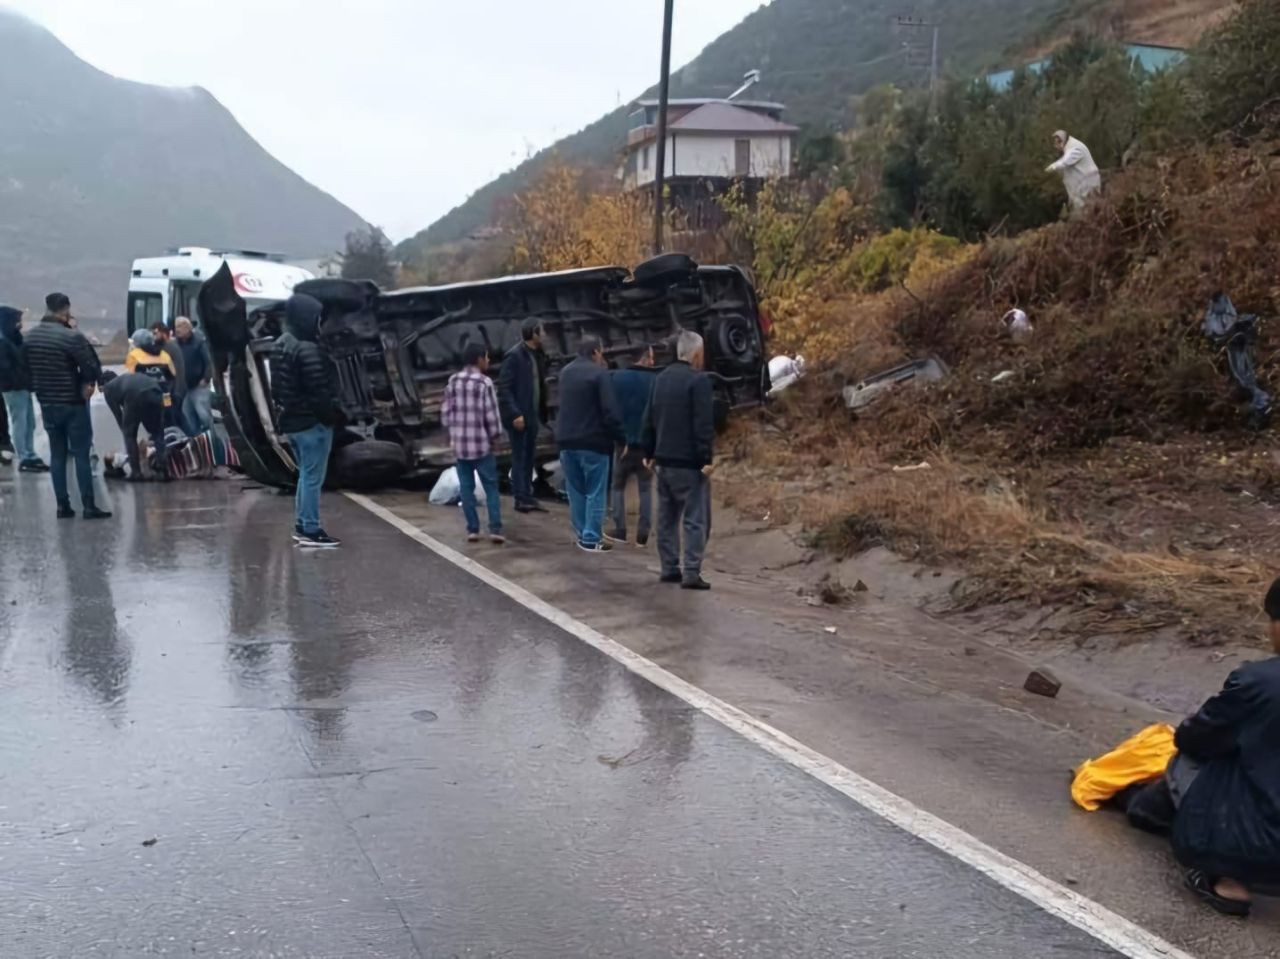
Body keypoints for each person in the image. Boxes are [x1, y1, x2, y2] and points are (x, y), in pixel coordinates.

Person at [1157, 576, 1280, 917]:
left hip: (1261, 848)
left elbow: (1194, 739)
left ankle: (1227, 880)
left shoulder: (1259, 681)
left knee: (1201, 759)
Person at [22, 292, 110, 519]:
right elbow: (90, 366)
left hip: (48, 402)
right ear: (66, 309)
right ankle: (88, 505)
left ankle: (63, 505)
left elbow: (25, 369)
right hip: (72, 402)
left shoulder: (30, 338)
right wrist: (88, 383)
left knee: (57, 455)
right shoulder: (71, 337)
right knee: (81, 454)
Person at [270, 292, 343, 548]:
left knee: (305, 475)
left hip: (292, 423)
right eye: (316, 317)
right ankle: (310, 529)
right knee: (313, 478)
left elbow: (276, 389)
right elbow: (319, 391)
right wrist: (330, 418)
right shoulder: (309, 349)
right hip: (312, 424)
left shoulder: (280, 344)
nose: (319, 322)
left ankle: (302, 524)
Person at [642, 330, 715, 590]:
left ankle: (669, 567)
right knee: (695, 518)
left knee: (666, 517)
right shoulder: (699, 382)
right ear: (696, 353)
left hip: (663, 461)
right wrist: (706, 457)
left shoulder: (659, 380)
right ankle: (692, 572)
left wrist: (648, 452)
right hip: (689, 462)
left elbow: (649, 417)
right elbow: (703, 424)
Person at [554, 336, 624, 553]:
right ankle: (591, 538)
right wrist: (621, 437)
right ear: (595, 352)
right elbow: (609, 411)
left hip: (566, 441)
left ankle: (582, 532)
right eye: (601, 352)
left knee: (575, 490)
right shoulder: (599, 374)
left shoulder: (565, 373)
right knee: (595, 490)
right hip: (593, 442)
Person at [441, 343, 505, 544]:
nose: (488, 361)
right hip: (482, 446)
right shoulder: (484, 383)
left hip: (461, 447)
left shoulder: (453, 381)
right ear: (478, 359)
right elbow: (491, 415)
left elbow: (446, 413)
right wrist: (495, 437)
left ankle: (473, 530)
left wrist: (452, 432)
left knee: (466, 489)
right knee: (491, 487)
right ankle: (494, 529)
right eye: (486, 357)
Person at [497, 317, 549, 513]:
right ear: (533, 333)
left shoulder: (537, 354)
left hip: (532, 415)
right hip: (519, 417)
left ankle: (528, 495)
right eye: (542, 331)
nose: (544, 335)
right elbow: (504, 388)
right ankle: (520, 498)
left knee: (529, 457)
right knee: (519, 457)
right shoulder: (515, 356)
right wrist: (514, 413)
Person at [606, 345, 656, 546]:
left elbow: (611, 410)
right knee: (645, 488)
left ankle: (620, 529)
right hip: (645, 446)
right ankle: (643, 534)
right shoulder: (654, 381)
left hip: (623, 445)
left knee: (617, 486)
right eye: (651, 358)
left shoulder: (617, 379)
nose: (653, 362)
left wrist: (618, 437)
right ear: (643, 358)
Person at [0, 306, 50, 473]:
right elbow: (5, 369)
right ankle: (23, 456)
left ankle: (30, 452)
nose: (20, 324)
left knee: (30, 422)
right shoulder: (3, 342)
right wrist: (20, 380)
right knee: (19, 422)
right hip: (14, 388)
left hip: (24, 387)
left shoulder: (15, 338)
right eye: (17, 320)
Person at [102, 370, 168, 481]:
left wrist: (129, 436)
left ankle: (136, 473)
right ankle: (163, 470)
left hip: (134, 394)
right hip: (155, 390)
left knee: (129, 435)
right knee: (158, 432)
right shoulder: (126, 378)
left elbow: (119, 415)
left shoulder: (107, 389)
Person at [174, 316, 214, 434]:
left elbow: (208, 362)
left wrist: (206, 378)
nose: (177, 330)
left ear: (188, 327)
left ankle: (210, 438)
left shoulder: (199, 342)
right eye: (176, 327)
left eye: (180, 326)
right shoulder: (175, 344)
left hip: (199, 386)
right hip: (184, 387)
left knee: (204, 415)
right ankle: (196, 442)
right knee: (188, 417)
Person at [1046, 130, 1101, 212]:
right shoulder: (1070, 147)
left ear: (1061, 141)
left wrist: (1052, 167)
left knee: (1089, 210)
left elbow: (1066, 161)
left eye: (1056, 143)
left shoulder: (1075, 148)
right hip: (1083, 184)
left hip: (1087, 184)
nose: (1055, 146)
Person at [150, 321, 186, 426]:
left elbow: (178, 370)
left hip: (172, 391)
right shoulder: (162, 347)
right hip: (168, 391)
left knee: (172, 418)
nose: (153, 337)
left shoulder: (170, 347)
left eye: (155, 334)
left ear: (163, 333)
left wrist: (178, 392)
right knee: (172, 417)